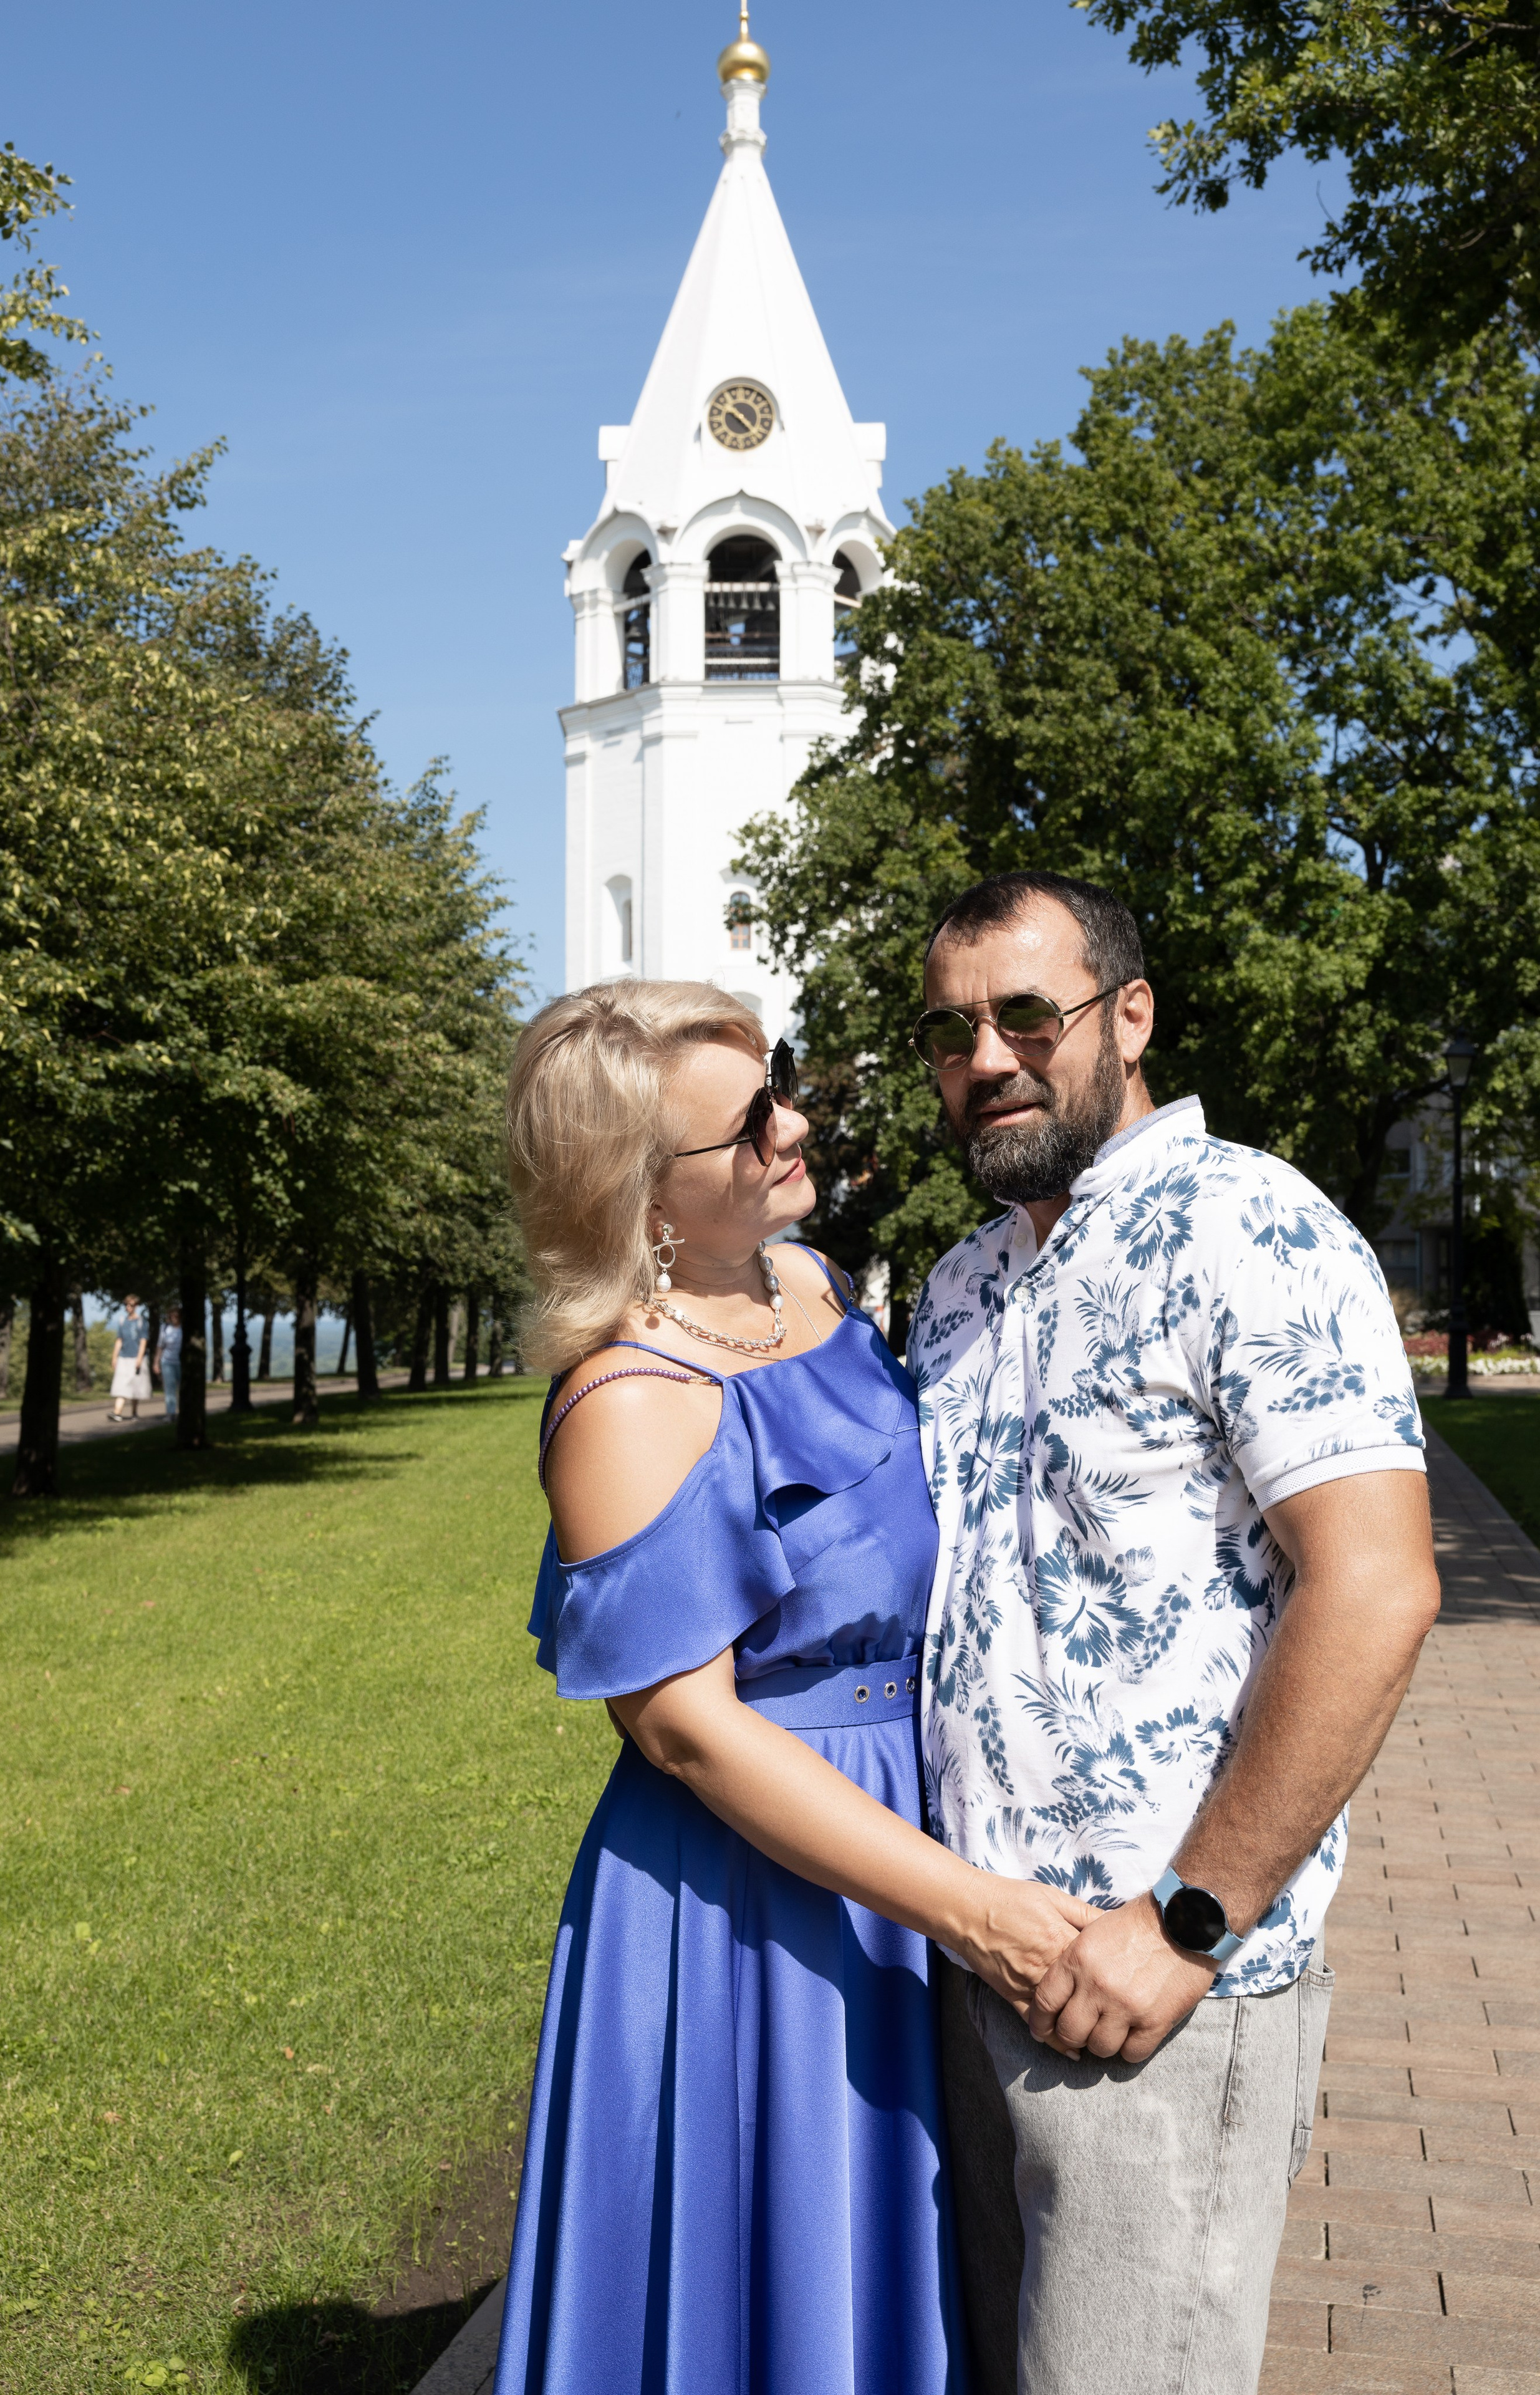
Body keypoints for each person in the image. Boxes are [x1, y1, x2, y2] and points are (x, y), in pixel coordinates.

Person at [494, 980, 1094, 2395]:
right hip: (749, 1901)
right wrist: (974, 1909)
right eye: (748, 1123)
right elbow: (689, 1731)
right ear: (640, 1198)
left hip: (895, 1845)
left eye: (780, 1089)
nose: (795, 1125)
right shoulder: (628, 1400)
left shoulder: (813, 1286)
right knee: (759, 2290)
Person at [905, 872, 1441, 2395]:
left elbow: (1375, 1584)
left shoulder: (1249, 1228)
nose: (987, 1057)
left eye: (1024, 1013)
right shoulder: (957, 1287)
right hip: (967, 1959)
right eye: (950, 1031)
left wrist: (1186, 1920)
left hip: (1153, 1989)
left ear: (1125, 1015)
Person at [107, 1296, 151, 1422]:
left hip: (136, 1358)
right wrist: (114, 1357)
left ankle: (134, 1413)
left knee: (135, 1387)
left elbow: (143, 1341)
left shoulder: (142, 1322)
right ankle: (117, 1412)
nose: (128, 1307)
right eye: (127, 1305)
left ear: (136, 1306)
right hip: (124, 1357)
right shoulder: (122, 1321)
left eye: (131, 1305)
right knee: (121, 1386)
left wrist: (139, 1358)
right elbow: (119, 1340)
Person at [156, 1307, 183, 1420]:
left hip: (181, 1362)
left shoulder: (184, 1328)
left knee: (183, 1388)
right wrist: (156, 1362)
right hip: (167, 1362)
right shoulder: (165, 1328)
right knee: (170, 1388)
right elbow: (160, 1346)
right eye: (171, 1316)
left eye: (175, 1316)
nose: (173, 1318)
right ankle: (171, 1413)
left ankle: (184, 1412)